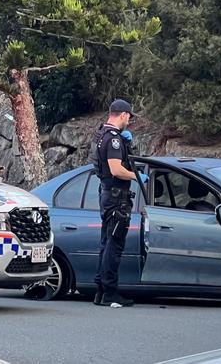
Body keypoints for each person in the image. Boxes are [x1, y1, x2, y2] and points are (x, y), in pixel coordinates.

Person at [89, 99, 148, 308]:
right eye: (129, 117)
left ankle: (101, 290)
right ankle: (109, 292)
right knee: (114, 246)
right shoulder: (113, 138)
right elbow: (116, 169)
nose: (129, 122)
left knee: (107, 243)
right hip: (116, 198)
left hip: (108, 195)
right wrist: (136, 176)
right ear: (123, 115)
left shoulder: (102, 134)